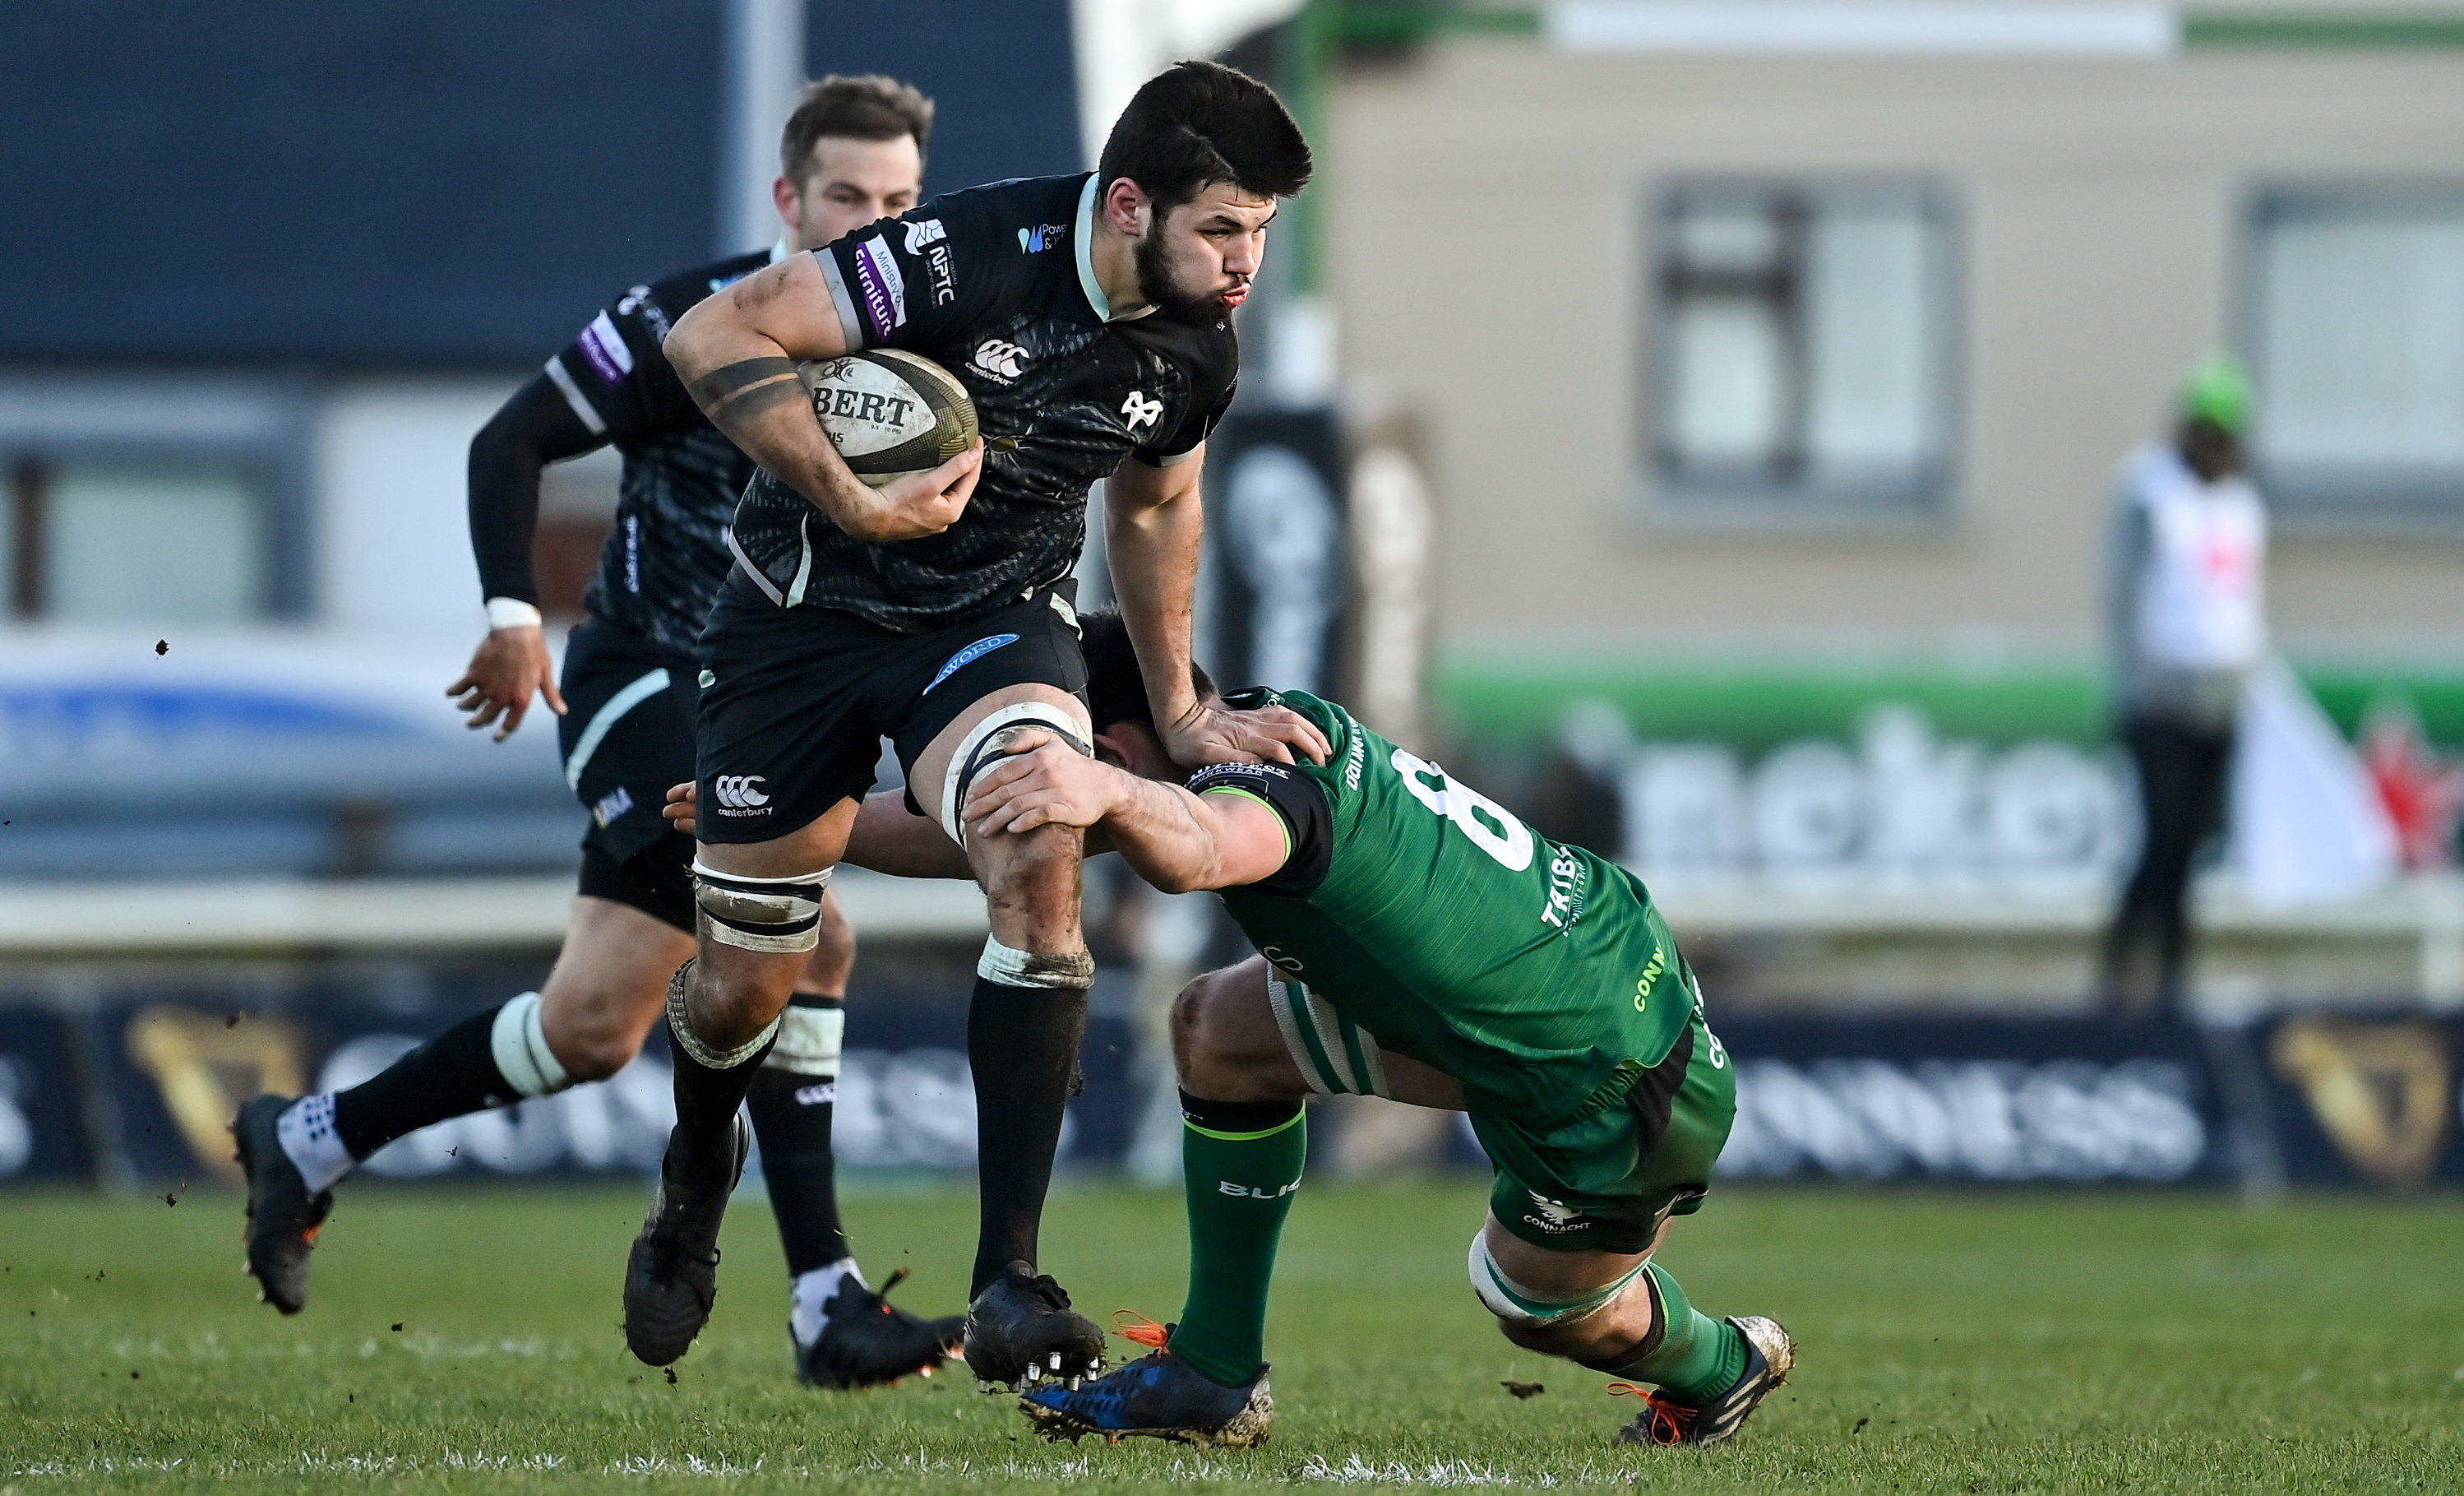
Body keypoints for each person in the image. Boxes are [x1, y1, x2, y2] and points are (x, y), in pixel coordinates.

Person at [230, 76, 962, 1389]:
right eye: (847, 196)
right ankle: (822, 1302)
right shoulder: (689, 324)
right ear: (788, 199)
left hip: (775, 697)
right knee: (804, 923)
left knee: (587, 1030)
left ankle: (315, 1136)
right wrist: (513, 612)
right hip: (642, 675)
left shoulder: (929, 356)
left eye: (899, 202)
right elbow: (510, 441)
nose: (872, 224)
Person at [665, 612, 1793, 1448]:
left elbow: (1208, 843)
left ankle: (1719, 1360)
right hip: (1573, 980)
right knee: (1219, 1026)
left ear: (1106, 738)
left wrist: (1096, 792)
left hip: (1611, 1078)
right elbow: (985, 828)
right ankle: (1213, 1372)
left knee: (1536, 1304)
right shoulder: (1221, 734)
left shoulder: (1252, 786)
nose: (1034, 781)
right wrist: (792, 822)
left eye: (1052, 755)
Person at [631, 60, 1326, 1390]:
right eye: (1222, 229)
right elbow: (713, 334)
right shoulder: (964, 253)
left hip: (992, 620)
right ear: (1129, 204)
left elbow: (1155, 505)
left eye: (1261, 233)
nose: (1244, 264)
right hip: (797, 615)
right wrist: (853, 495)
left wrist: (1178, 709)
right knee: (738, 988)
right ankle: (690, 1175)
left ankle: (1009, 1270)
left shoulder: (1198, 345)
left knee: (1040, 834)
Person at [2096, 354, 2268, 1016]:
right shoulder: (2147, 493)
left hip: (2217, 699)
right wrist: (2146, 683)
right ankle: (2120, 966)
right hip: (2160, 699)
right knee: (2160, 835)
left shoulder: (2240, 502)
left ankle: (2174, 974)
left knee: (2192, 844)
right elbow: (2125, 598)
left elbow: (2236, 601)